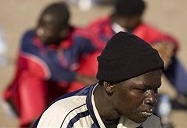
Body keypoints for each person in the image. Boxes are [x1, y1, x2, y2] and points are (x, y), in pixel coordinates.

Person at [78, 0, 187, 114]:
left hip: (135, 80)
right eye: (139, 16)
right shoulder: (98, 29)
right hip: (103, 83)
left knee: (166, 55)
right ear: (131, 18)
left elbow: (166, 38)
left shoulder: (141, 28)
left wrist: (165, 46)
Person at [32, 31, 164, 128]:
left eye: (155, 89)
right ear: (110, 84)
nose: (152, 99)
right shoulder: (65, 119)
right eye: (142, 89)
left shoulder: (149, 122)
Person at [1, 1, 97, 128]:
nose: (40, 31)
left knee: (98, 58)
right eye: (39, 24)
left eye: (47, 28)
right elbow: (44, 67)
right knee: (30, 77)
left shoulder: (78, 37)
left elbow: (105, 44)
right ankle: (36, 124)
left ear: (63, 32)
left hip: (61, 95)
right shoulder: (29, 39)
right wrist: (79, 77)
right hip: (22, 101)